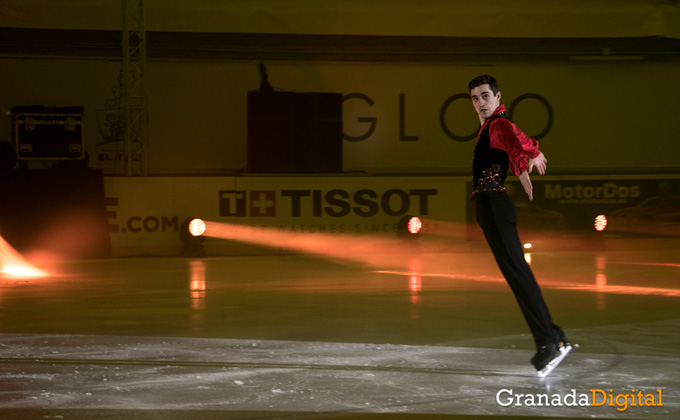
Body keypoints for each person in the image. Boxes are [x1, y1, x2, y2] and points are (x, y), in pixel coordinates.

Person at [468, 74, 569, 373]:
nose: (481, 102)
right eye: (475, 98)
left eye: (485, 96)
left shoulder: (497, 124)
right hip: (490, 208)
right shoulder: (492, 126)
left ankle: (548, 342)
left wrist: (523, 166)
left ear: (498, 98)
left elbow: (512, 144)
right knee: (517, 277)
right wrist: (535, 151)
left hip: (496, 206)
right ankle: (552, 336)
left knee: (520, 276)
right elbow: (520, 138)